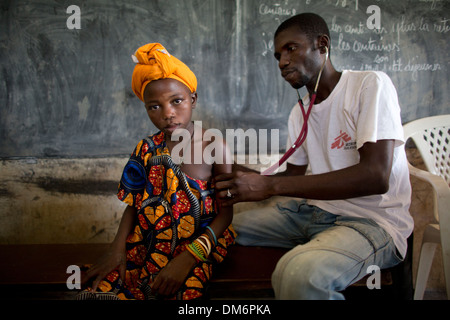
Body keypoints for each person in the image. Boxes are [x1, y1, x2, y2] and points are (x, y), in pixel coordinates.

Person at [215, 13, 413, 300]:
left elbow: (376, 176)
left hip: (371, 220)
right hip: (312, 213)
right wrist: (232, 169)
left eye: (291, 49)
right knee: (215, 229)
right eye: (277, 55)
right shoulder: (300, 111)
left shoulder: (369, 85)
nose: (282, 62)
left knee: (297, 275)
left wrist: (269, 186)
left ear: (322, 45)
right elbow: (293, 177)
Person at [79, 43, 235, 300]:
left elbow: (226, 215)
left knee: (182, 293)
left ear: (193, 99)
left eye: (177, 101)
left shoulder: (215, 145)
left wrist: (187, 259)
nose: (168, 114)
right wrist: (117, 248)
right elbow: (134, 205)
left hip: (199, 245)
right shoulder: (146, 148)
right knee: (105, 286)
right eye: (155, 106)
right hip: (148, 241)